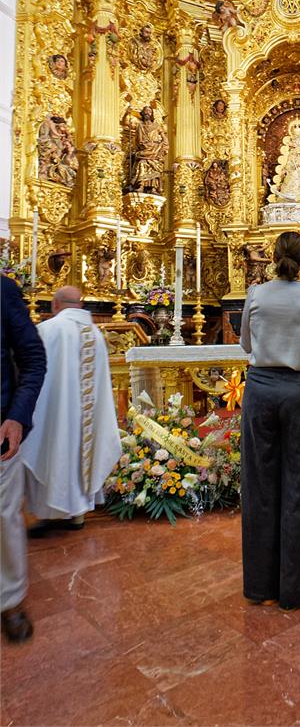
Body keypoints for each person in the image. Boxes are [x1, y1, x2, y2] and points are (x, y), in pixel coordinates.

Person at [239, 231, 300, 610]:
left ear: (272, 257)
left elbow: (246, 345)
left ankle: (260, 586)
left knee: (260, 485)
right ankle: (296, 589)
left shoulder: (256, 295)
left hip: (262, 391)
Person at [22, 287, 121, 536]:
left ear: (55, 304)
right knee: (82, 448)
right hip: (85, 416)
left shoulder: (48, 330)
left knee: (54, 450)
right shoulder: (96, 334)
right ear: (80, 304)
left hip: (55, 414)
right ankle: (77, 513)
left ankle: (51, 513)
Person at [0, 275, 47, 643]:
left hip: (1, 424)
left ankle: (10, 599)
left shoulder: (3, 289)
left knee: (4, 516)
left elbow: (32, 358)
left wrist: (17, 415)